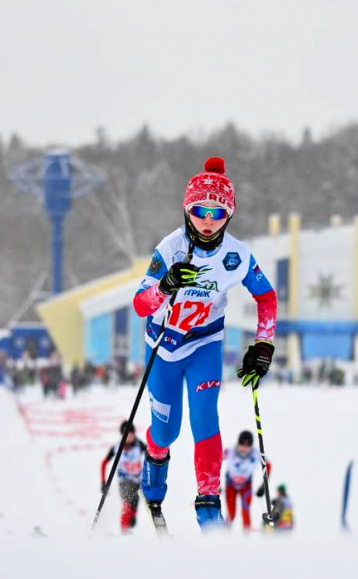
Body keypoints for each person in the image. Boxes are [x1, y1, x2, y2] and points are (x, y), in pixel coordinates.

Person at [132, 156, 277, 530]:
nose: (208, 220)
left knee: (205, 419)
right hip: (163, 346)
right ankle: (155, 459)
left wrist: (263, 345)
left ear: (229, 214)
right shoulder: (170, 249)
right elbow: (140, 304)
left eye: (218, 211)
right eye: (199, 210)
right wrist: (166, 286)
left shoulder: (237, 256)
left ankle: (208, 500)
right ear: (187, 209)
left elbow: (267, 298)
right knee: (167, 430)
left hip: (205, 345)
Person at [100, 421, 146, 532]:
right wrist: (103, 482)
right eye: (126, 435)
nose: (129, 437)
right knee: (127, 505)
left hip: (138, 481)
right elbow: (104, 462)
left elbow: (150, 459)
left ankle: (129, 528)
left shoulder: (140, 445)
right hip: (124, 481)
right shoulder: (117, 447)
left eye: (131, 434)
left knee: (133, 511)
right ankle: (124, 532)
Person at [223, 430, 271, 531]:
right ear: (238, 444)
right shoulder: (230, 451)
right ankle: (225, 534)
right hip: (231, 485)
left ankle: (247, 536)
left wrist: (263, 486)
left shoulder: (256, 454)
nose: (244, 449)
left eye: (248, 446)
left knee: (246, 511)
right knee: (231, 513)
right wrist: (214, 484)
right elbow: (216, 461)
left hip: (246, 486)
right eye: (242, 445)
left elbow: (268, 465)